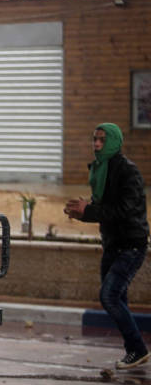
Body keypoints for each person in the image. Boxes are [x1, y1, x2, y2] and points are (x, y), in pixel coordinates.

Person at [64, 124, 150, 370]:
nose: (97, 144)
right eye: (95, 139)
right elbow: (104, 207)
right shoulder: (101, 170)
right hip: (112, 243)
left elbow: (124, 210)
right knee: (116, 297)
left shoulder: (127, 172)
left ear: (114, 141)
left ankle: (138, 349)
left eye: (102, 140)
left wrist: (88, 211)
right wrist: (82, 211)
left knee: (109, 296)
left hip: (131, 245)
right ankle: (134, 350)